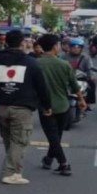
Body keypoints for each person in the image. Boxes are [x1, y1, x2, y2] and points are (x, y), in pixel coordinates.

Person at [0, 30, 51, 185]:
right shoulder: (30, 62)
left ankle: (16, 171)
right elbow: (42, 87)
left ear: (6, 42)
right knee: (19, 141)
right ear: (21, 43)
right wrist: (47, 105)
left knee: (9, 140)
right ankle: (10, 172)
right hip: (21, 107)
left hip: (1, 106)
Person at [34, 34, 85, 176]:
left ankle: (56, 161)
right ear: (54, 46)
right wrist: (81, 100)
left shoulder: (36, 64)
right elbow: (75, 86)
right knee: (56, 136)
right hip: (63, 105)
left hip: (45, 106)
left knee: (53, 137)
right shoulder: (64, 64)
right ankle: (58, 162)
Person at [62, 37, 96, 106]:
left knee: (92, 85)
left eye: (78, 47)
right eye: (74, 47)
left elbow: (90, 68)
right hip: (67, 79)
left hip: (81, 79)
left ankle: (88, 102)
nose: (76, 49)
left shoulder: (86, 57)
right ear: (70, 47)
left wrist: (92, 75)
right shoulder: (64, 57)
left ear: (81, 48)